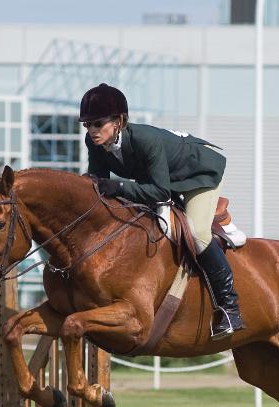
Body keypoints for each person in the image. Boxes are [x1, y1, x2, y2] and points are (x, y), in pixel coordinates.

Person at [79, 83, 244, 340]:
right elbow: (98, 185)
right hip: (162, 178)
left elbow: (160, 193)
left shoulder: (145, 139)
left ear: (119, 121)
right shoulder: (95, 142)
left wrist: (120, 186)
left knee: (197, 231)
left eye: (97, 123)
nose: (92, 130)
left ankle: (230, 308)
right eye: (86, 125)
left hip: (198, 172)